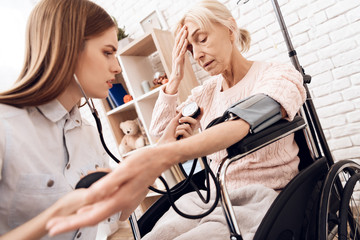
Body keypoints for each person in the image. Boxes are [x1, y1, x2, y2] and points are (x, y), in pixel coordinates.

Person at [45, 0, 306, 239]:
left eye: (202, 40)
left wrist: (167, 154)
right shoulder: (207, 92)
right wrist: (176, 75)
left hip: (262, 196)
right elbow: (161, 130)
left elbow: (242, 123)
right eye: (190, 49)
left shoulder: (276, 75)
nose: (198, 54)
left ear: (230, 29)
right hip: (212, 196)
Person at [0, 0, 122, 239]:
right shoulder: (5, 126)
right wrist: (63, 211)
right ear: (67, 48)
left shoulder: (87, 133)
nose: (117, 67)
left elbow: (114, 216)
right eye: (107, 53)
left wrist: (160, 154)